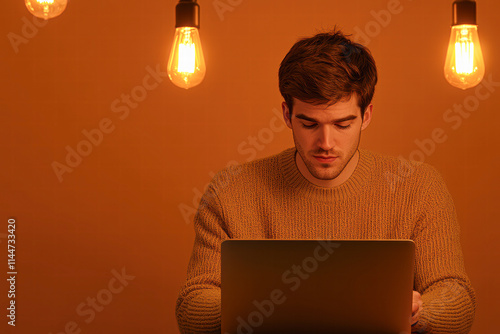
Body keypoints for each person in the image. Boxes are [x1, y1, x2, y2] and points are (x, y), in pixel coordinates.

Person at [175, 30, 476, 334]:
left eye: (343, 124)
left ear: (366, 116)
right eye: (309, 124)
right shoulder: (231, 192)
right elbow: (192, 307)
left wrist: (418, 312)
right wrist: (260, 304)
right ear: (286, 114)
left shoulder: (419, 187)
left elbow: (456, 296)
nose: (326, 143)